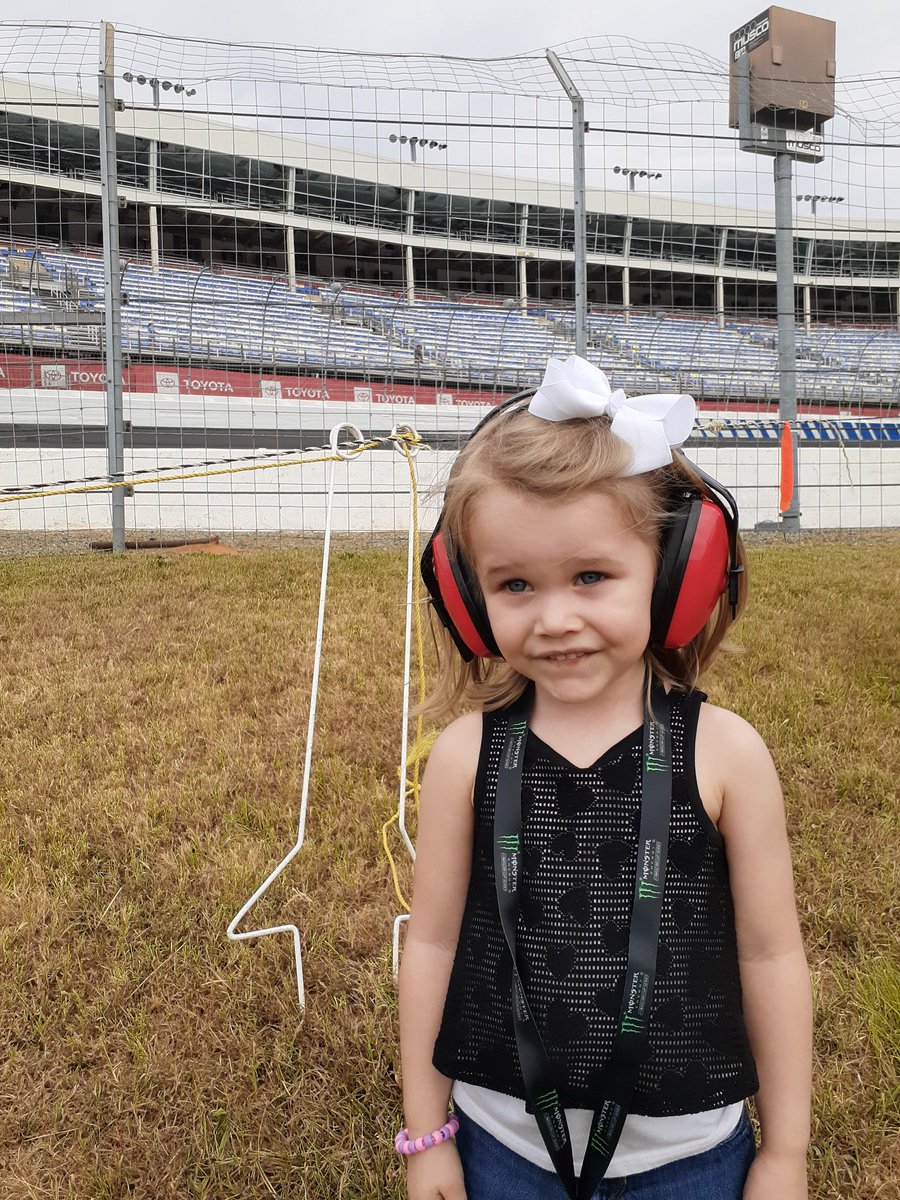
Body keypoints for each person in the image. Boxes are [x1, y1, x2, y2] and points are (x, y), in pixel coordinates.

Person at [396, 356, 812, 1200]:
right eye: (514, 585)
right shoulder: (466, 757)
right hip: (500, 1150)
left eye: (591, 576)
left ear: (676, 573)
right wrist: (427, 1136)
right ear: (468, 598)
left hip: (693, 1159)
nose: (556, 618)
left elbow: (771, 956)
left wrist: (786, 1153)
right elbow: (432, 945)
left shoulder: (727, 754)